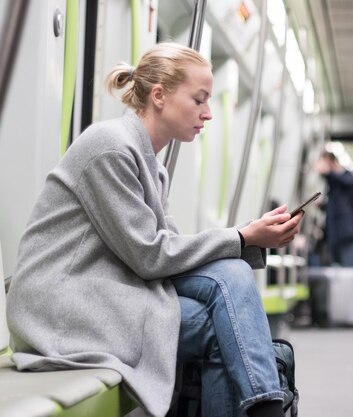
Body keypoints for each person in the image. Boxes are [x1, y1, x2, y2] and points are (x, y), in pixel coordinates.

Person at [6, 43, 303, 417]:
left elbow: (168, 254)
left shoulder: (150, 163)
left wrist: (244, 237)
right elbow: (150, 256)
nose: (208, 113)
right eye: (199, 100)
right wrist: (243, 237)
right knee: (220, 333)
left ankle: (266, 407)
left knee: (233, 271)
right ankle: (267, 407)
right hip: (62, 311)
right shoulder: (110, 147)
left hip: (106, 293)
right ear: (159, 95)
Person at [315, 151, 353, 267]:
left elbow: (346, 183)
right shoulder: (333, 184)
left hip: (346, 233)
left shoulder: (346, 177)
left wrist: (328, 172)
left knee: (349, 268)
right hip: (334, 234)